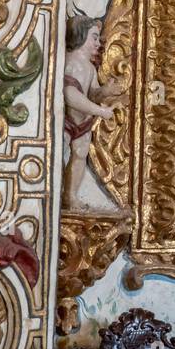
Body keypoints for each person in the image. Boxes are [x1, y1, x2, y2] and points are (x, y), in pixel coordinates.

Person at [62, 15, 123, 208]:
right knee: (60, 155)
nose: (98, 43)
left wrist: (104, 92)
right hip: (66, 121)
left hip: (82, 122)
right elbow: (70, 95)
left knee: (80, 155)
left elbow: (92, 94)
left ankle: (71, 196)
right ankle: (57, 193)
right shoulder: (71, 62)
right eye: (94, 37)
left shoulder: (89, 67)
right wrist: (100, 111)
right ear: (80, 37)